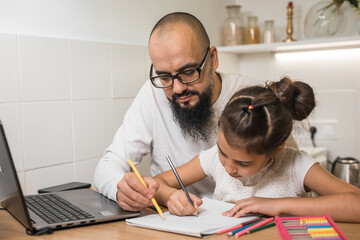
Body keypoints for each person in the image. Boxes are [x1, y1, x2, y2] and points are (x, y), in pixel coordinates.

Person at [93, 12, 263, 211]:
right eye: (164, 77)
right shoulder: (152, 94)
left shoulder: (250, 96)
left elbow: (288, 168)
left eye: (189, 72)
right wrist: (120, 190)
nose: (178, 89)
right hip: (172, 219)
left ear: (213, 59)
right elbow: (109, 163)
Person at [153, 77, 360, 222]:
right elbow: (156, 184)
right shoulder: (213, 159)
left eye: (244, 163)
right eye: (223, 152)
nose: (229, 167)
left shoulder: (296, 165)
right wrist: (170, 196)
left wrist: (278, 206)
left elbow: (356, 204)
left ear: (276, 149)